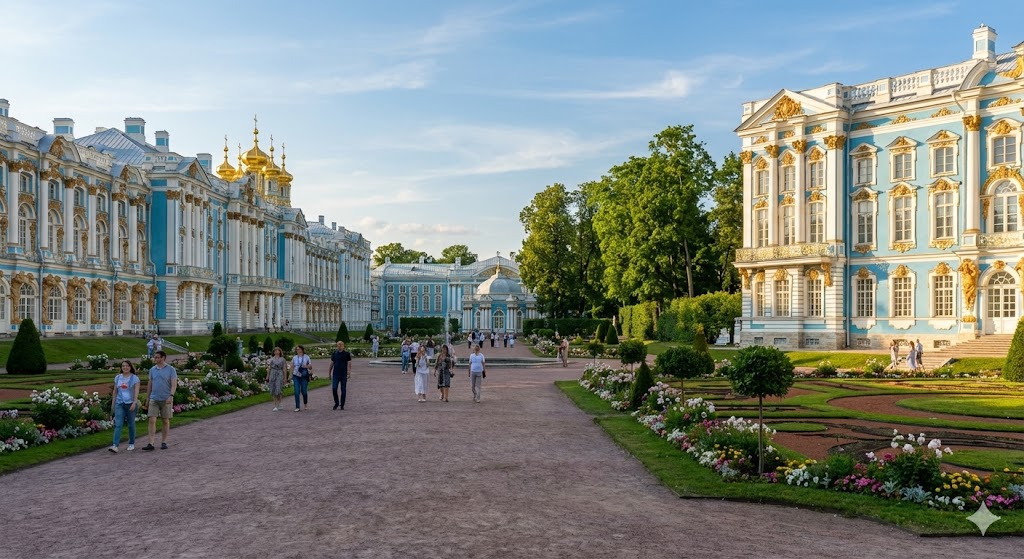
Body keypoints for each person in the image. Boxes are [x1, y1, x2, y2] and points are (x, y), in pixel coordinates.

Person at [142, 351, 177, 451]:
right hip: (154, 398)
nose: (155, 359)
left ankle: (164, 441)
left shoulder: (171, 369)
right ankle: (151, 443)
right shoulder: (152, 370)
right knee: (152, 420)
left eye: (157, 357)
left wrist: (171, 395)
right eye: (155, 357)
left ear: (163, 358)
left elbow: (174, 384)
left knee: (165, 420)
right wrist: (148, 397)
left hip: (166, 398)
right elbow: (150, 384)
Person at [109, 361, 140, 453]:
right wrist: (113, 403)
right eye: (123, 366)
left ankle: (131, 443)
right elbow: (115, 391)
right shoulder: (118, 377)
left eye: (127, 366)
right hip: (120, 403)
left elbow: (136, 392)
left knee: (131, 424)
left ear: (130, 367)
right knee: (118, 424)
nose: (125, 367)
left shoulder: (135, 378)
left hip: (130, 403)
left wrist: (134, 403)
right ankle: (115, 445)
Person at [329, 341, 352, 410]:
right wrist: (329, 373)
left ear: (343, 346)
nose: (339, 346)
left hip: (343, 374)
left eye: (341, 345)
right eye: (338, 345)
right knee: (334, 388)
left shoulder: (347, 354)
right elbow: (331, 363)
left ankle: (342, 404)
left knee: (343, 390)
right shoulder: (334, 354)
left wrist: (349, 372)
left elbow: (349, 364)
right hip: (336, 374)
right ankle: (336, 402)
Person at [291, 345, 312, 411]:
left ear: (302, 350)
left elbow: (310, 366)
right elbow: (292, 366)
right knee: (296, 391)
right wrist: (290, 375)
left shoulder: (306, 357)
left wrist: (306, 366)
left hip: (304, 375)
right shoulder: (294, 357)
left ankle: (305, 403)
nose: (298, 350)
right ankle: (297, 407)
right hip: (296, 375)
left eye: (299, 349)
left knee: (304, 391)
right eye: (297, 349)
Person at [268, 347, 286, 411]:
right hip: (273, 373)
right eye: (275, 351)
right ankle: (275, 405)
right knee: (273, 389)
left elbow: (284, 368)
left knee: (278, 389)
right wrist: (267, 376)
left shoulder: (282, 359)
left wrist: (285, 377)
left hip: (279, 373)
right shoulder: (271, 359)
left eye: (278, 351)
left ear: (280, 352)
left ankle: (280, 403)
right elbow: (269, 368)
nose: (277, 352)